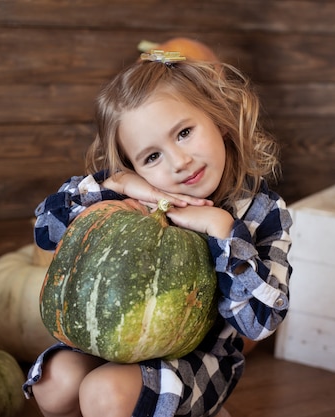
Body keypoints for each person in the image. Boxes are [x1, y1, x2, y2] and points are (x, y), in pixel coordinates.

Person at [23, 49, 293, 417]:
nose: (179, 163)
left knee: (105, 394)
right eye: (151, 157)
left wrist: (223, 230)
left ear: (220, 120)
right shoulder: (133, 198)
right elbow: (45, 231)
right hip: (111, 339)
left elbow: (260, 323)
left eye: (184, 133)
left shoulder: (262, 212)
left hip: (196, 363)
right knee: (54, 383)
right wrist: (117, 184)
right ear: (133, 166)